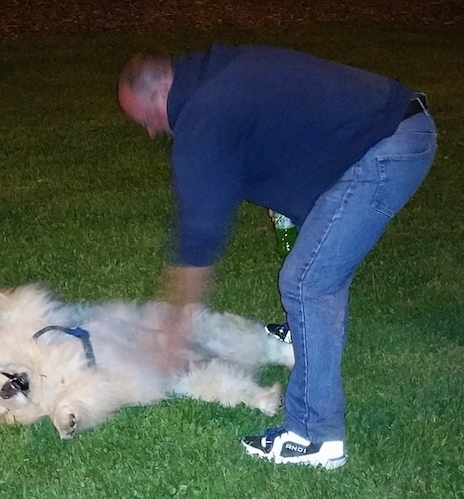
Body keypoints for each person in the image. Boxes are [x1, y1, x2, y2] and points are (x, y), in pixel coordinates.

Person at [117, 44, 437, 469]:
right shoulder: (215, 70)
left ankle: (315, 436)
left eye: (145, 118)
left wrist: (175, 330)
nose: (152, 131)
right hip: (394, 125)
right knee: (316, 272)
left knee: (307, 281)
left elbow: (198, 237)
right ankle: (303, 334)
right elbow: (276, 117)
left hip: (387, 149)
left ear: (159, 94)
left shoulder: (204, 115)